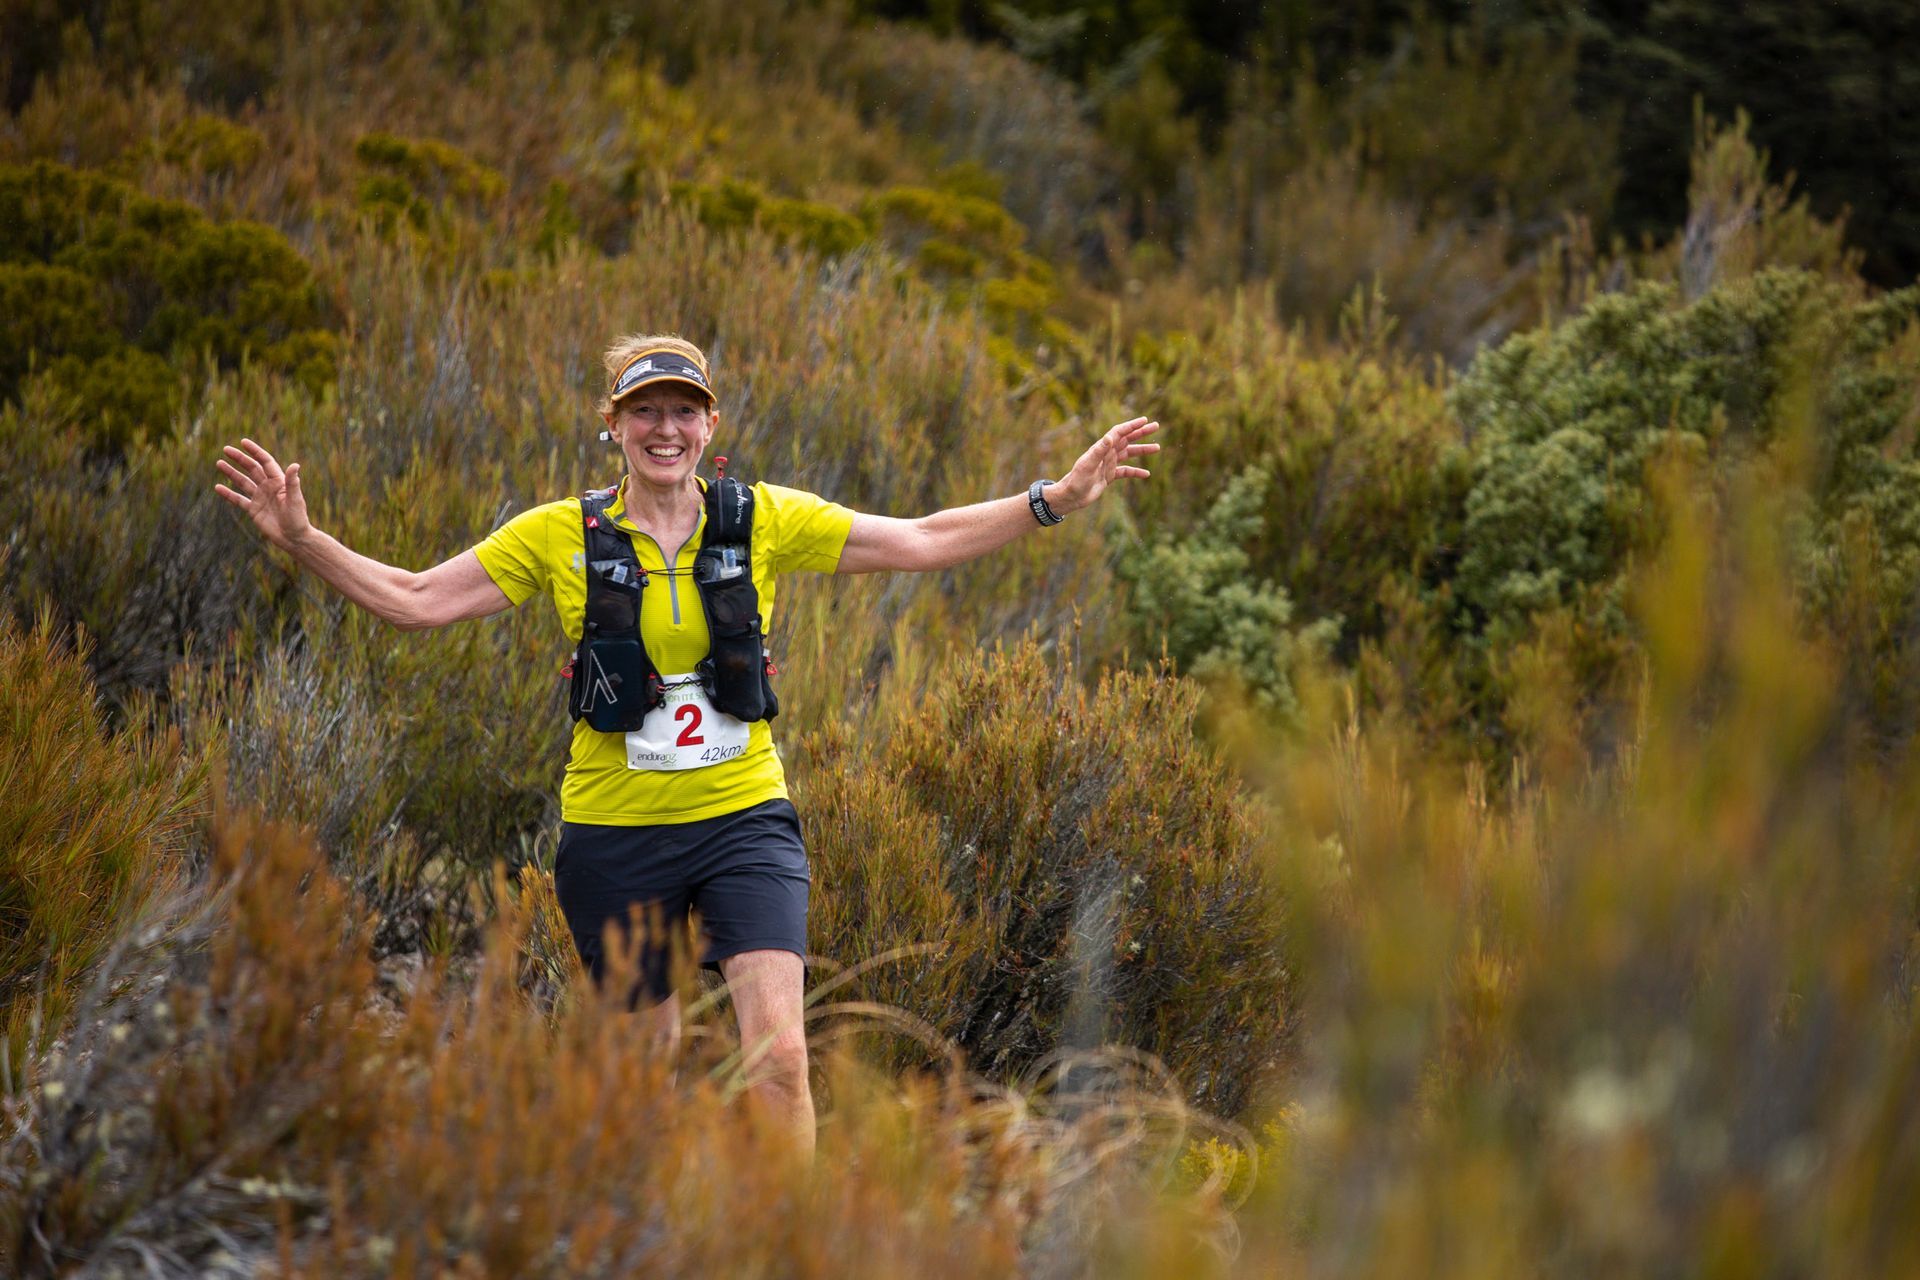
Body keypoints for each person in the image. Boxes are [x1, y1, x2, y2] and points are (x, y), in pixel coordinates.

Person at [213, 333, 1160, 1156]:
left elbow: (917, 538)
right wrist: (303, 540)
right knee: (639, 1080)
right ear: (613, 427)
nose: (664, 430)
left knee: (782, 1059)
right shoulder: (559, 536)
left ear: (710, 426)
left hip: (744, 820)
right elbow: (416, 601)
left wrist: (1055, 498)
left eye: (683, 412)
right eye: (644, 412)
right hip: (616, 837)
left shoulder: (763, 520)